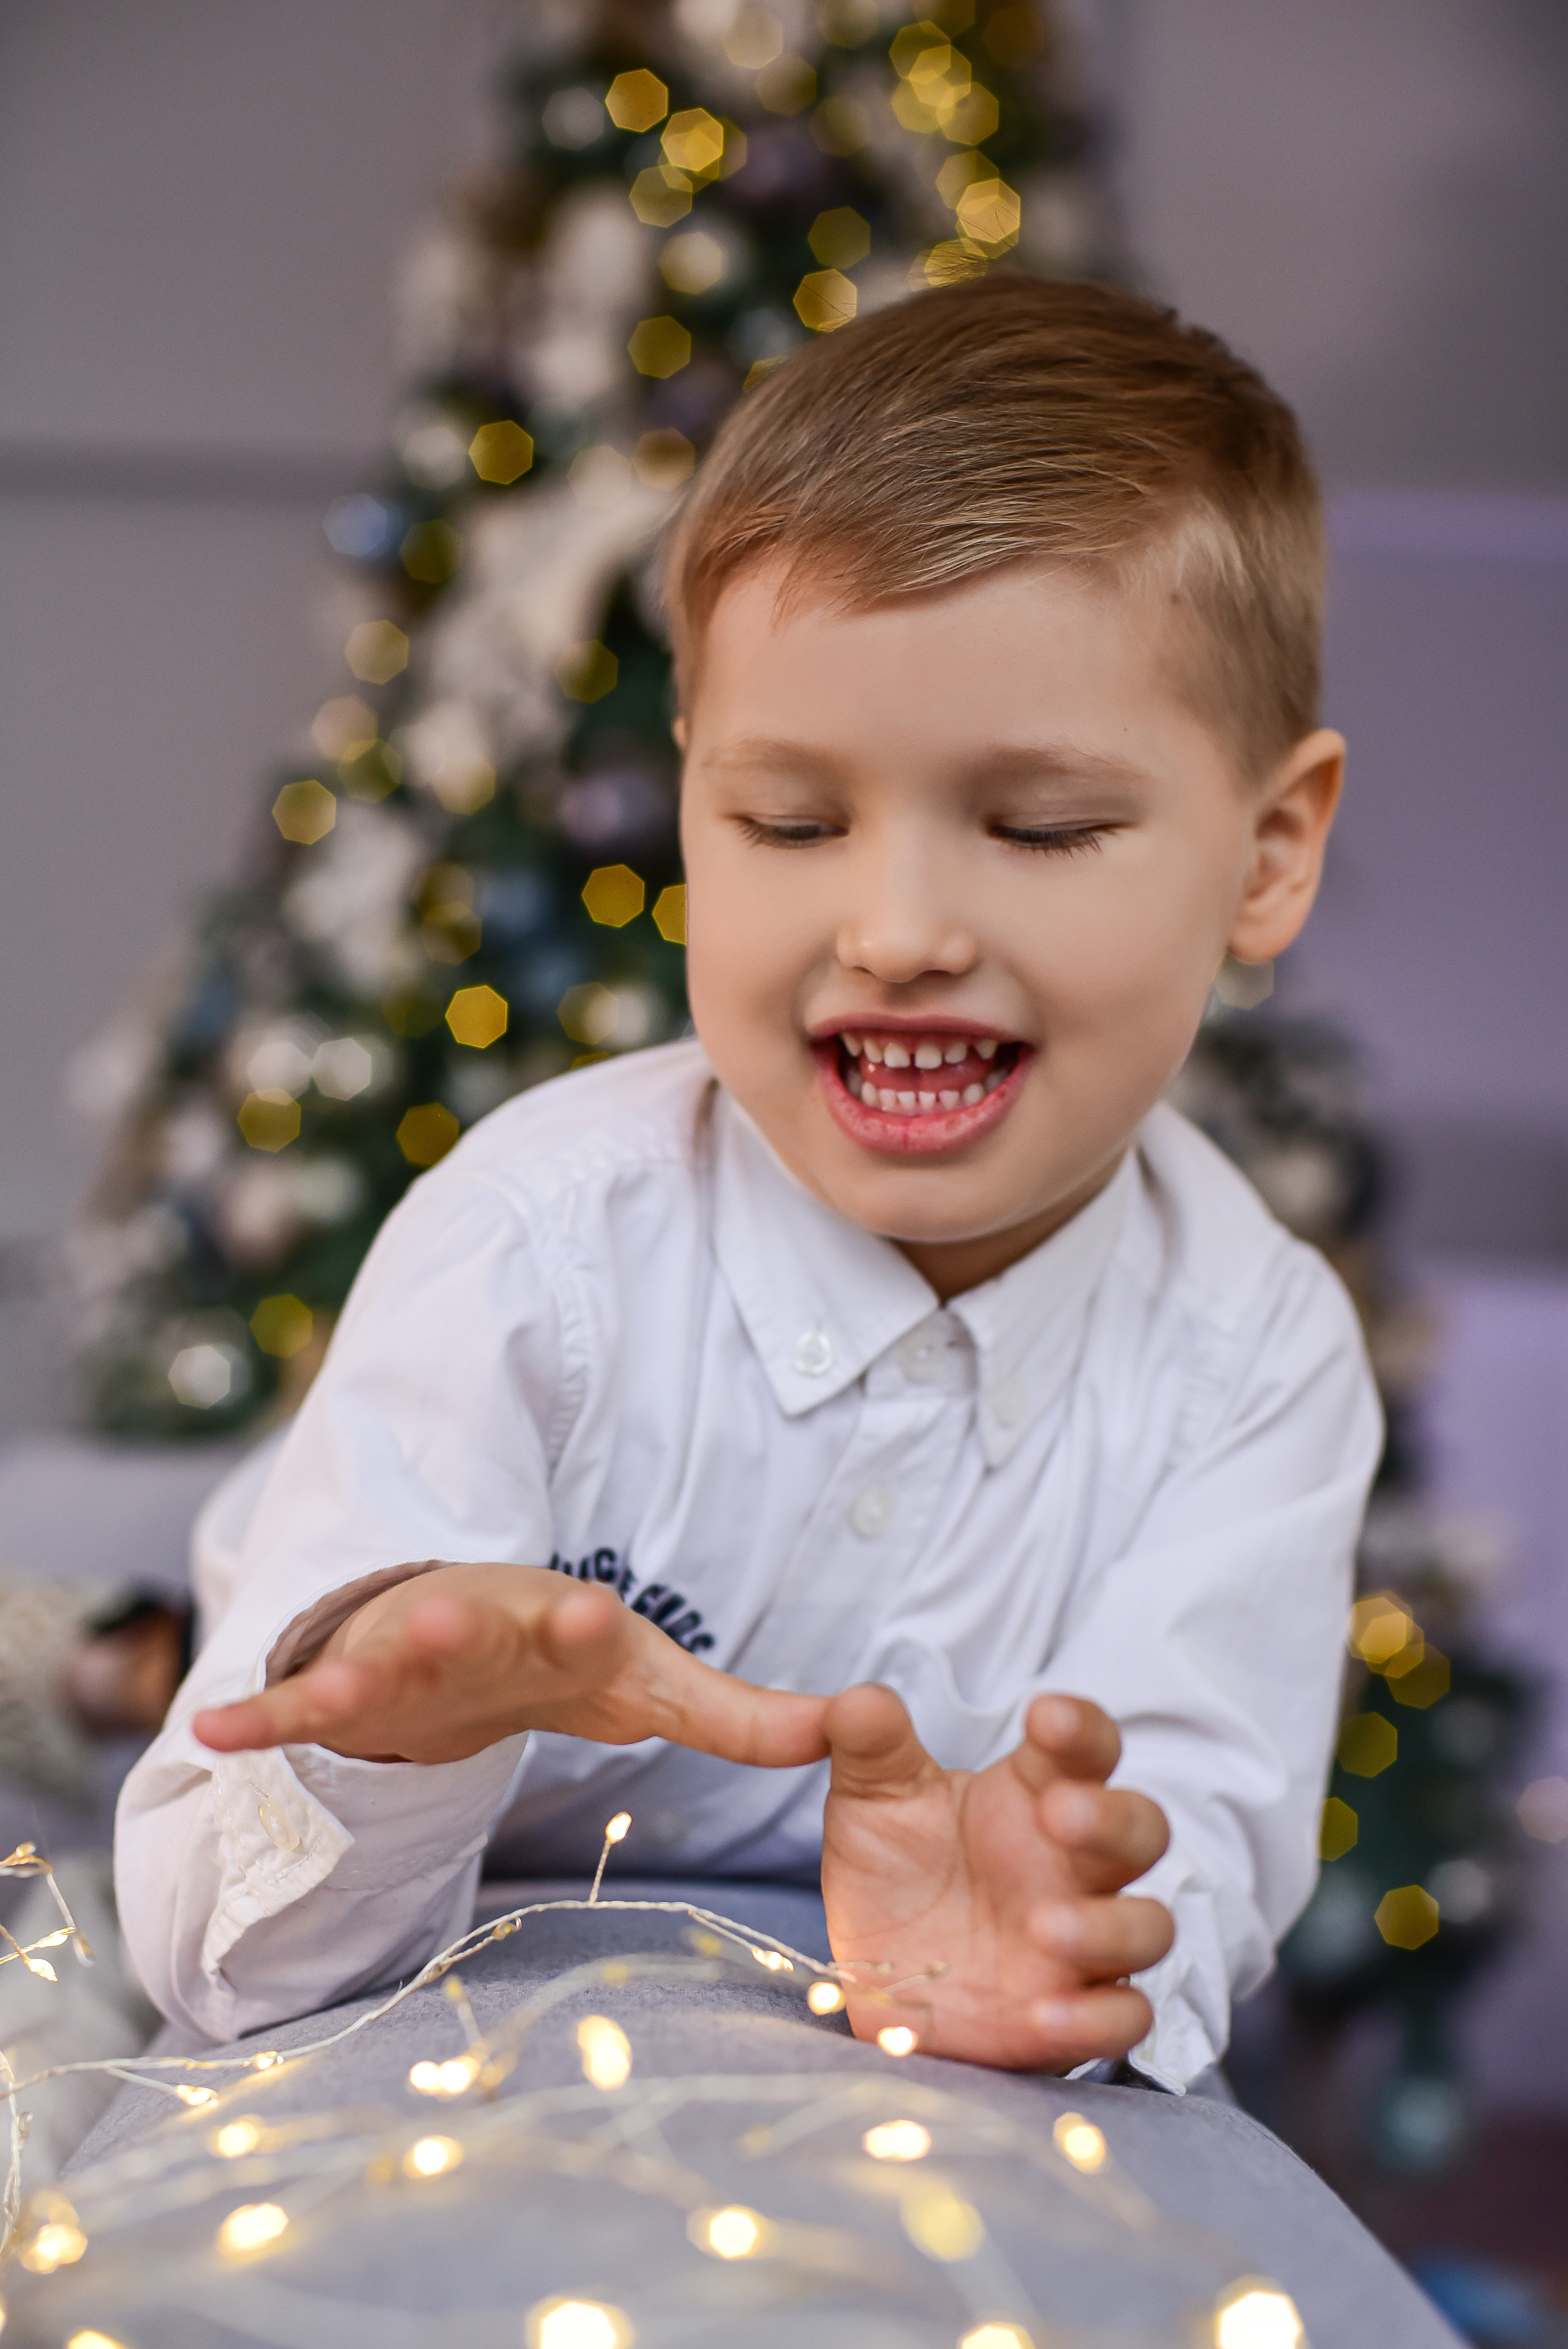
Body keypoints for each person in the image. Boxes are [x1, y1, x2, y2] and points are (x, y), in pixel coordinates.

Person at [116, 278, 1381, 2084]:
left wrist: (1083, 1935)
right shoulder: (537, 1248)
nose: (900, 929)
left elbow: (1189, 1846)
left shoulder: (1254, 1354)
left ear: (1267, 854)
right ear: (695, 798)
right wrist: (394, 1739)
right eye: (792, 823)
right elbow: (210, 1954)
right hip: (437, 2052)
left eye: (1037, 827)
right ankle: (123, 1643)